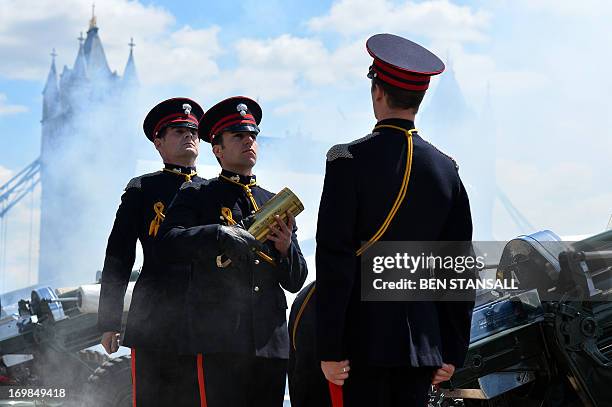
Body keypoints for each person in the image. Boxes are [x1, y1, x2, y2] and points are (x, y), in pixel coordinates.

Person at [315, 33, 475, 407]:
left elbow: (335, 257)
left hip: (361, 342)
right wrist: (451, 350)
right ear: (419, 99)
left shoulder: (346, 160)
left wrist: (330, 347)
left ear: (377, 93)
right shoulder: (446, 169)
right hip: (423, 346)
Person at [157, 96, 308, 407]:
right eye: (238, 136)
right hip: (220, 339)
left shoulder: (272, 201)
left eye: (252, 136)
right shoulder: (197, 194)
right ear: (218, 149)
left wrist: (284, 248)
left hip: (270, 341)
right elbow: (168, 242)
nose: (248, 141)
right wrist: (218, 233)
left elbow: (296, 280)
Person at [97, 97, 204, 406]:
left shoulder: (213, 192)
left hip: (204, 321)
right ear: (158, 142)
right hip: (154, 319)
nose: (188, 137)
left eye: (193, 132)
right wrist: (109, 320)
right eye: (178, 131)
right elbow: (118, 257)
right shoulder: (143, 189)